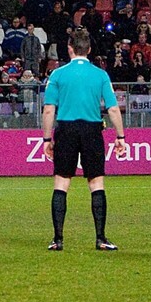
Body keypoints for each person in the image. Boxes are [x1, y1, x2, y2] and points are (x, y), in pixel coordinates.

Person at [40, 29, 128, 252]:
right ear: (88, 50)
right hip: (91, 130)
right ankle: (101, 239)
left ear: (70, 48)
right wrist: (120, 136)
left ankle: (57, 240)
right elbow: (113, 109)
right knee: (96, 183)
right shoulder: (100, 75)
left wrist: (46, 138)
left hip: (66, 129)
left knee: (61, 183)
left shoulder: (58, 75)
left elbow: (49, 110)